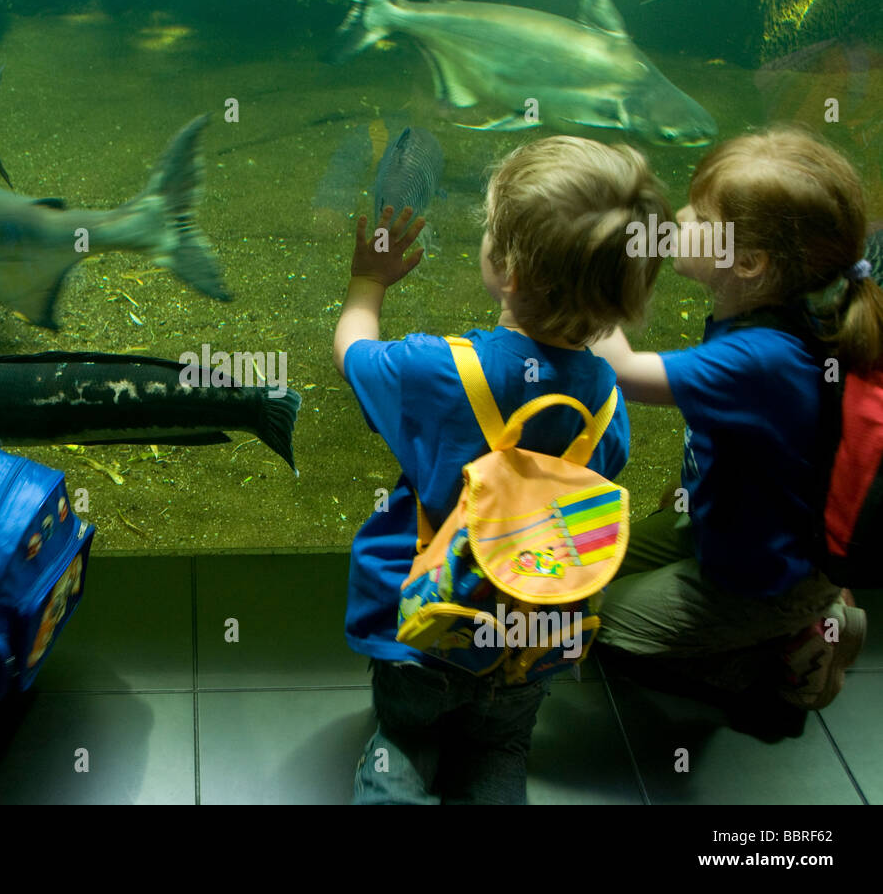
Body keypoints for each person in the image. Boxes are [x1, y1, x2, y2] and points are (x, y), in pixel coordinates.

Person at [335, 136, 670, 804]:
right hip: (531, 640)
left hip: (423, 631)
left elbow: (352, 349)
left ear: (507, 271)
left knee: (404, 739)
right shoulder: (605, 401)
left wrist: (367, 278)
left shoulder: (435, 370)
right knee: (498, 749)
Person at [590, 125, 872, 710]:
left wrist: (582, 272)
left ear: (746, 262)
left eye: (697, 215)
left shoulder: (760, 358)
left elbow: (621, 370)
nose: (679, 219)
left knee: (606, 628)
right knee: (594, 565)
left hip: (761, 575)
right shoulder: (789, 304)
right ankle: (825, 604)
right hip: (725, 526)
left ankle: (797, 651)